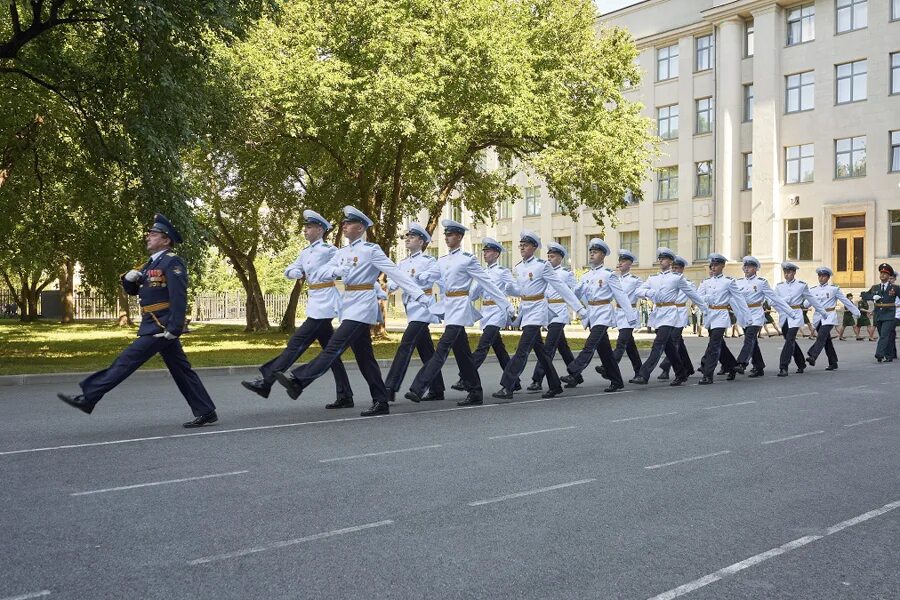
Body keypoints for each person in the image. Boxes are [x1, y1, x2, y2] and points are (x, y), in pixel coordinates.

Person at [57, 214, 218, 428]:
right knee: (181, 369)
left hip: (161, 325)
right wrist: (128, 280)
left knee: (126, 361)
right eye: (149, 233)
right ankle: (206, 410)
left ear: (166, 239)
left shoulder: (172, 262)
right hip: (153, 323)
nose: (148, 237)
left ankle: (89, 397)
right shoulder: (150, 264)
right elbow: (134, 291)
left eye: (153, 234)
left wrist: (175, 327)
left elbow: (179, 296)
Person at [273, 206, 432, 416]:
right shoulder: (341, 252)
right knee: (365, 358)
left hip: (364, 305)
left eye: (349, 223)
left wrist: (420, 295)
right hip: (349, 305)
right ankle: (381, 401)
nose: (344, 226)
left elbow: (396, 273)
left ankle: (299, 380)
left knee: (333, 346)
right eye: (344, 223)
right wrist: (336, 270)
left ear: (360, 228)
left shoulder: (371, 250)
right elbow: (322, 272)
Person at [241, 210, 354, 408]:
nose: (305, 230)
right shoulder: (305, 252)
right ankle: (345, 395)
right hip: (315, 304)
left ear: (320, 230)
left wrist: (332, 271)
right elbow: (290, 269)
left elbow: (341, 267)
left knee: (296, 343)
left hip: (325, 304)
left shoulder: (329, 250)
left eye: (309, 227)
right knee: (331, 354)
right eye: (305, 227)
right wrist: (296, 271)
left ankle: (266, 381)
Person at [405, 220, 512, 406]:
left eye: (451, 235)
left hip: (461, 307)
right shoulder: (442, 261)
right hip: (449, 306)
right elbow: (429, 276)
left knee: (442, 347)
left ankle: (418, 387)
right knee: (463, 353)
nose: (447, 238)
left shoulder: (467, 259)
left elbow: (487, 283)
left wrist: (506, 305)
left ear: (460, 237)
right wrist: (417, 275)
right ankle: (475, 391)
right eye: (446, 235)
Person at [491, 230, 587, 400]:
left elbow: (561, 288)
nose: (522, 248)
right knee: (542, 353)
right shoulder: (519, 267)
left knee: (522, 349)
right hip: (526, 309)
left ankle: (508, 386)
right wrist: (510, 289)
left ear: (534, 247)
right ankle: (555, 385)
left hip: (537, 310)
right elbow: (521, 290)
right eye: (520, 245)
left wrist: (579, 309)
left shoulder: (542, 266)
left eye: (525, 245)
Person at [559, 238, 637, 392]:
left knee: (590, 344)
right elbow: (577, 293)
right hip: (592, 314)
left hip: (603, 313)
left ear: (603, 255)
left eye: (595, 252)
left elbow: (620, 295)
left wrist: (631, 316)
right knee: (605, 352)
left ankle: (574, 371)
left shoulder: (609, 275)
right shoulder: (586, 275)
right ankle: (616, 381)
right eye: (591, 252)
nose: (592, 254)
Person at [383, 223, 445, 402]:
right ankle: (437, 389)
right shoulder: (402, 263)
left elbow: (441, 284)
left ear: (421, 241)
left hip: (423, 309)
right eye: (406, 237)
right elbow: (394, 283)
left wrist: (444, 305)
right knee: (426, 350)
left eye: (412, 237)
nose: (407, 239)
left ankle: (390, 387)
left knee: (406, 344)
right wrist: (385, 289)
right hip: (411, 308)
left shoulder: (429, 262)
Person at [449, 237, 520, 393]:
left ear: (496, 254)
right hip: (486, 313)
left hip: (498, 312)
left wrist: (508, 290)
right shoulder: (482, 272)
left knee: (483, 346)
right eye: (484, 251)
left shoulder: (503, 272)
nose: (485, 254)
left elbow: (516, 288)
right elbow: (474, 293)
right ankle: (514, 381)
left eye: (488, 251)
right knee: (499, 350)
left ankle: (465, 378)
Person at [630, 248, 708, 386]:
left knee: (658, 343)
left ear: (670, 261)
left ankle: (643, 374)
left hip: (670, 313)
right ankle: (681, 372)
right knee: (669, 347)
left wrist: (705, 309)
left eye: (664, 258)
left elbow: (693, 294)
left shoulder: (677, 278)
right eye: (660, 258)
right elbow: (638, 291)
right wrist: (650, 293)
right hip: (657, 312)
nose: (661, 260)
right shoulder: (653, 278)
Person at [528, 241, 579, 392]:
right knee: (563, 347)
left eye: (553, 256)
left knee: (548, 347)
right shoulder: (543, 272)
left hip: (559, 312)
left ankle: (537, 379)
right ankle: (576, 374)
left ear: (560, 258)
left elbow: (575, 291)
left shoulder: (566, 274)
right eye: (548, 256)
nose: (549, 259)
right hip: (547, 311)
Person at [695, 253, 751, 385]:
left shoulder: (728, 282)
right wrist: (705, 299)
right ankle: (732, 366)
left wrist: (747, 317)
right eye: (712, 265)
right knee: (719, 345)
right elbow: (698, 298)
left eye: (716, 265)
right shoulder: (706, 282)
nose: (713, 268)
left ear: (722, 266)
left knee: (714, 345)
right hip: (710, 315)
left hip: (721, 314)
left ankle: (708, 375)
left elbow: (739, 299)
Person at [733, 256, 792, 378]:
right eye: (745, 266)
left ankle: (742, 363)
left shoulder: (761, 282)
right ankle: (759, 366)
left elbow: (775, 298)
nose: (746, 269)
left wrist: (789, 311)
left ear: (755, 269)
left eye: (749, 267)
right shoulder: (738, 282)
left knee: (749, 337)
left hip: (755, 314)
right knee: (752, 341)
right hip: (744, 314)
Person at [774, 262, 826, 377]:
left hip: (795, 315)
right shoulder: (779, 286)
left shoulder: (801, 285)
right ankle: (801, 363)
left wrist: (822, 311)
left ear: (794, 273)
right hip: (784, 315)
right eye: (785, 273)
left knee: (790, 339)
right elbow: (774, 301)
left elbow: (812, 299)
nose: (787, 275)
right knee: (790, 340)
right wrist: (781, 307)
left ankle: (783, 366)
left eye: (789, 272)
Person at [805, 266, 859, 370]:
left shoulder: (834, 289)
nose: (821, 278)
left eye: (823, 276)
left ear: (828, 277)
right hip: (818, 317)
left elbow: (845, 301)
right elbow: (807, 304)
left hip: (829, 316)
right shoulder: (813, 290)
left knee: (821, 336)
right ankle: (833, 362)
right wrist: (808, 299)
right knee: (826, 341)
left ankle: (813, 355)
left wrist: (855, 311)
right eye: (819, 276)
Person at [657, 256, 697, 381]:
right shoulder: (667, 281)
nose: (674, 270)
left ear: (682, 269)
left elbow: (694, 296)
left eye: (677, 268)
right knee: (677, 342)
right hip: (668, 314)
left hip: (680, 314)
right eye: (673, 267)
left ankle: (666, 368)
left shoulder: (688, 283)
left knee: (673, 341)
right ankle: (687, 368)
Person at [607, 249, 643, 380]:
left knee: (621, 342)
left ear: (629, 264)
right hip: (618, 312)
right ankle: (640, 371)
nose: (620, 263)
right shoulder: (615, 279)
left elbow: (643, 291)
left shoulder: (635, 280)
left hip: (630, 314)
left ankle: (609, 367)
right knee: (629, 345)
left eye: (623, 261)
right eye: (620, 261)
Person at [862, 263, 900, 362]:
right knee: (883, 335)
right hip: (878, 314)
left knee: (884, 335)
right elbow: (864, 295)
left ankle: (879, 354)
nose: (882, 275)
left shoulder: (895, 288)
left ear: (889, 276)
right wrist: (872, 297)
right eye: (881, 273)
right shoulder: (875, 287)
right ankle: (889, 355)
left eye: (885, 273)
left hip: (889, 314)